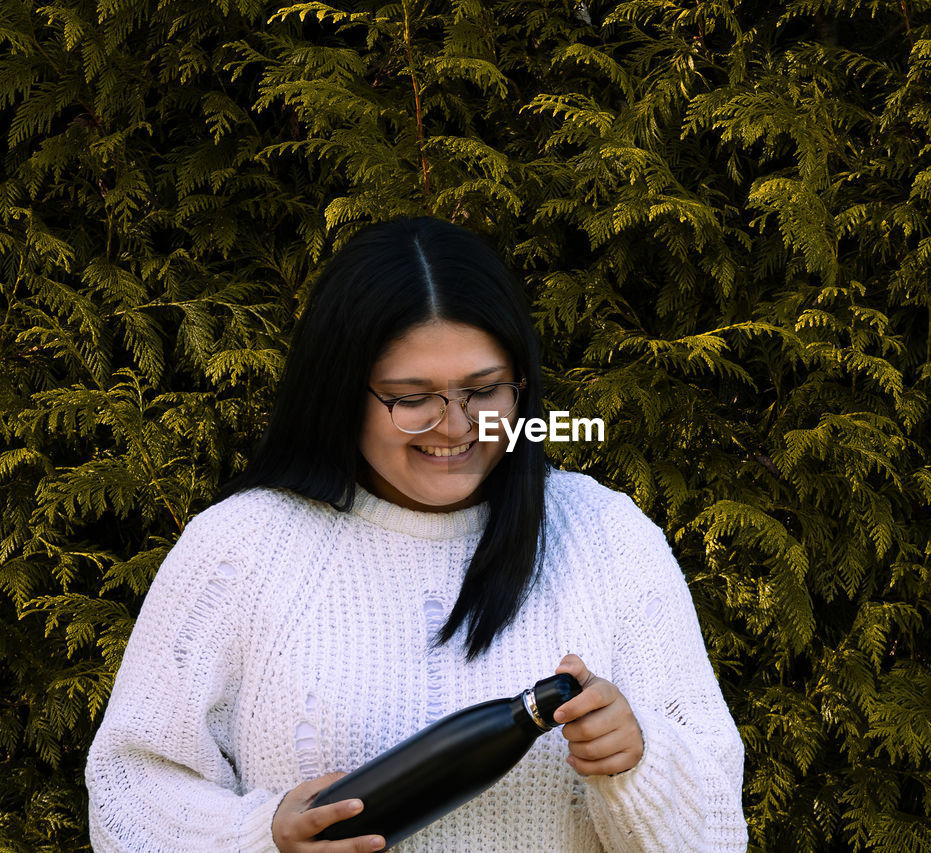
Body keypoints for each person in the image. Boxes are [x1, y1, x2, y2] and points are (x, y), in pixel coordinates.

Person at [84, 217, 749, 852]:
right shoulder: (241, 546)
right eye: (411, 398)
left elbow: (719, 830)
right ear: (341, 391)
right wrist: (261, 836)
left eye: (484, 389)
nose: (456, 427)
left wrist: (638, 761)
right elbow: (129, 795)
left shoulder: (607, 537)